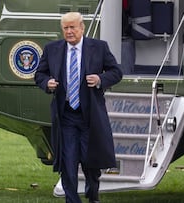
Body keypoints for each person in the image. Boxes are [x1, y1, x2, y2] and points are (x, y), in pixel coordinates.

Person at [35, 12, 123, 203]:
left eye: (73, 27)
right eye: (65, 28)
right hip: (66, 116)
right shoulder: (52, 49)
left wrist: (100, 79)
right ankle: (72, 200)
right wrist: (47, 83)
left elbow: (116, 72)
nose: (69, 31)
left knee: (91, 162)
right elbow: (39, 74)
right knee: (68, 161)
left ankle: (93, 195)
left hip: (90, 116)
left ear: (82, 28)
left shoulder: (99, 47)